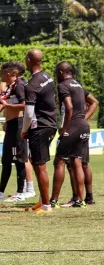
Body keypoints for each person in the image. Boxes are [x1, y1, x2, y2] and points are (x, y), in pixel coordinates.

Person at [50, 62, 98, 208]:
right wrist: (83, 119)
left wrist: (64, 128)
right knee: (77, 161)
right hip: (83, 127)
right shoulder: (78, 85)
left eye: (56, 72)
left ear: (61, 72)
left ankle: (53, 200)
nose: (56, 75)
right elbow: (94, 102)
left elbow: (69, 107)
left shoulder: (63, 85)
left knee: (59, 162)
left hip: (72, 127)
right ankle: (80, 199)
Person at [20, 49, 58, 214]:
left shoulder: (32, 85)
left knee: (40, 165)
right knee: (36, 161)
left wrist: (24, 130)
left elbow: (28, 113)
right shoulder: (47, 76)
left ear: (29, 60)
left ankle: (46, 206)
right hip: (50, 123)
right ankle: (43, 199)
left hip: (40, 126)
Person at [0, 62, 35, 202]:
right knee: (6, 160)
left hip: (19, 125)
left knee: (19, 160)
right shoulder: (11, 86)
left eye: (3, 72)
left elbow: (26, 105)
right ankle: (0, 192)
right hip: (11, 125)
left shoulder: (20, 85)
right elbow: (2, 99)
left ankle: (20, 192)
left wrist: (9, 106)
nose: (0, 75)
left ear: (12, 73)